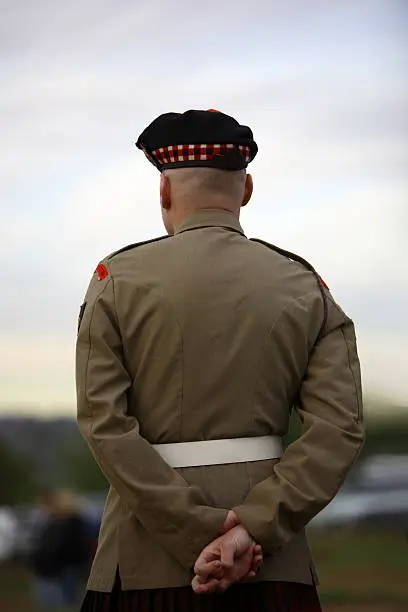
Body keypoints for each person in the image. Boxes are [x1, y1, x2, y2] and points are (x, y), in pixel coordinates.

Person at [76, 109, 365, 611]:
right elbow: (338, 430)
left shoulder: (116, 280)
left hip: (146, 564)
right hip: (271, 567)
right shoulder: (303, 285)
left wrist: (197, 533)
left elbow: (104, 424)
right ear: (246, 188)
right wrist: (249, 529)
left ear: (164, 191)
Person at [29, 489, 91, 611]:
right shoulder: (71, 522)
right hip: (62, 568)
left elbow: (56, 547)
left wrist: (43, 562)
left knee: (64, 602)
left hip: (60, 569)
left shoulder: (63, 523)